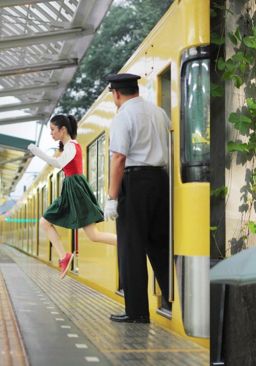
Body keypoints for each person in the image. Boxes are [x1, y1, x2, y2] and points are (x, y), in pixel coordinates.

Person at [103, 73, 171, 324]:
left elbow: (118, 158)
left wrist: (112, 197)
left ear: (117, 94)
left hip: (135, 183)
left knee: (131, 248)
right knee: (160, 246)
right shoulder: (159, 113)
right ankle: (173, 302)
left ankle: (137, 312)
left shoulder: (123, 116)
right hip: (160, 182)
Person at [28, 115, 117, 278]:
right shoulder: (69, 146)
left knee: (93, 235)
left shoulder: (72, 146)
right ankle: (64, 257)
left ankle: (65, 256)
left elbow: (58, 164)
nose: (51, 134)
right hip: (71, 189)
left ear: (63, 130)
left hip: (75, 190)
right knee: (92, 235)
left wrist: (37, 152)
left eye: (53, 130)